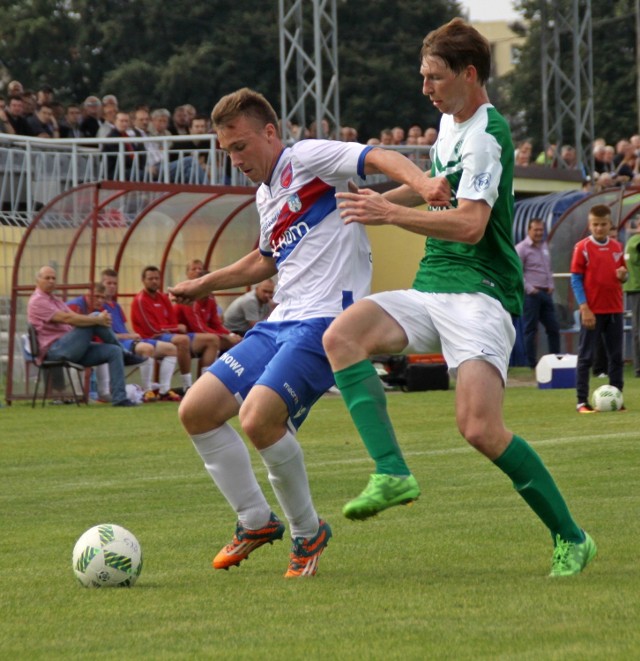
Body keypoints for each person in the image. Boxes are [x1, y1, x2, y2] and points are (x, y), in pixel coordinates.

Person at [322, 18, 596, 578]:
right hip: (433, 289)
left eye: (435, 77)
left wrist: (388, 214)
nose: (426, 89)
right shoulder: (450, 124)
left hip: (481, 295)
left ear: (470, 75)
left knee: (479, 429)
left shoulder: (487, 135)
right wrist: (361, 203)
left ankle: (572, 537)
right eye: (422, 77)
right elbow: (435, 186)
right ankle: (392, 471)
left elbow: (471, 225)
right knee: (343, 336)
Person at [168, 86, 447, 578]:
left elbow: (378, 155)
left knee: (257, 419)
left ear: (270, 132)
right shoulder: (266, 193)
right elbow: (264, 260)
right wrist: (204, 284)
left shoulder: (310, 157)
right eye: (226, 151)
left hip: (325, 322)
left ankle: (306, 532)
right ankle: (254, 521)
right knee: (197, 411)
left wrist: (424, 185)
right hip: (280, 320)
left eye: (240, 146)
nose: (235, 159)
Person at [27, 266, 136, 407]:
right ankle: (125, 352)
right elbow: (67, 318)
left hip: (71, 347)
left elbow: (73, 317)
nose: (51, 281)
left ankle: (120, 399)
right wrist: (97, 319)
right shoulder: (38, 300)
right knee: (96, 316)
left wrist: (95, 319)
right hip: (54, 350)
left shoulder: (55, 299)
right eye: (47, 278)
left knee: (113, 351)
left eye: (53, 278)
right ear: (38, 280)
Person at [571, 204, 627, 412]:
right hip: (593, 311)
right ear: (589, 225)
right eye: (595, 225)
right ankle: (581, 401)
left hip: (615, 308)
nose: (599, 228)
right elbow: (576, 280)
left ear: (610, 224)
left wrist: (623, 275)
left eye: (603, 224)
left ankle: (617, 398)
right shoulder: (582, 248)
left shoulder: (617, 247)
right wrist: (584, 307)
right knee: (586, 357)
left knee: (616, 357)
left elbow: (623, 275)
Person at [131, 265, 219, 392]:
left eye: (156, 278)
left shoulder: (163, 298)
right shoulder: (140, 300)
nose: (154, 281)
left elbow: (173, 321)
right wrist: (175, 328)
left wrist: (174, 328)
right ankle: (186, 386)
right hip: (151, 337)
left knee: (212, 340)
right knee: (182, 340)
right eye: (150, 279)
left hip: (169, 334)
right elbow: (152, 329)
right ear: (143, 280)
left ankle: (206, 385)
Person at [99, 269, 182, 402]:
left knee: (172, 349)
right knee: (147, 348)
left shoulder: (116, 306)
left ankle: (164, 391)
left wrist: (131, 335)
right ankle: (147, 391)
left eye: (114, 283)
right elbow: (106, 335)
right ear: (101, 284)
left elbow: (124, 329)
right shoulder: (99, 306)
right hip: (116, 343)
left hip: (128, 341)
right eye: (108, 283)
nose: (112, 286)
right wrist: (129, 336)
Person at [515, 218, 561, 368]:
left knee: (553, 328)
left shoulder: (544, 247)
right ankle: (531, 364)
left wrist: (550, 285)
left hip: (546, 293)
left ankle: (556, 360)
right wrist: (530, 288)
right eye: (536, 230)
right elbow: (517, 273)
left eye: (541, 230)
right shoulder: (521, 248)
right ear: (529, 230)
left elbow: (548, 269)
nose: (539, 233)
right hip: (531, 295)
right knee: (531, 329)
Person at [173, 259, 242, 352]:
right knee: (214, 340)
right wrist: (224, 336)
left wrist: (230, 335)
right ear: (187, 274)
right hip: (184, 335)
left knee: (236, 341)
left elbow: (216, 322)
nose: (198, 271)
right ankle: (210, 366)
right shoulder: (187, 297)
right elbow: (198, 327)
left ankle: (224, 365)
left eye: (200, 269)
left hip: (200, 334)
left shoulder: (210, 298)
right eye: (194, 269)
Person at [623, 219, 640, 377]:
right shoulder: (636, 241)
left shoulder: (631, 241)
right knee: (637, 330)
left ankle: (637, 368)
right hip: (636, 289)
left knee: (636, 329)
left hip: (632, 288)